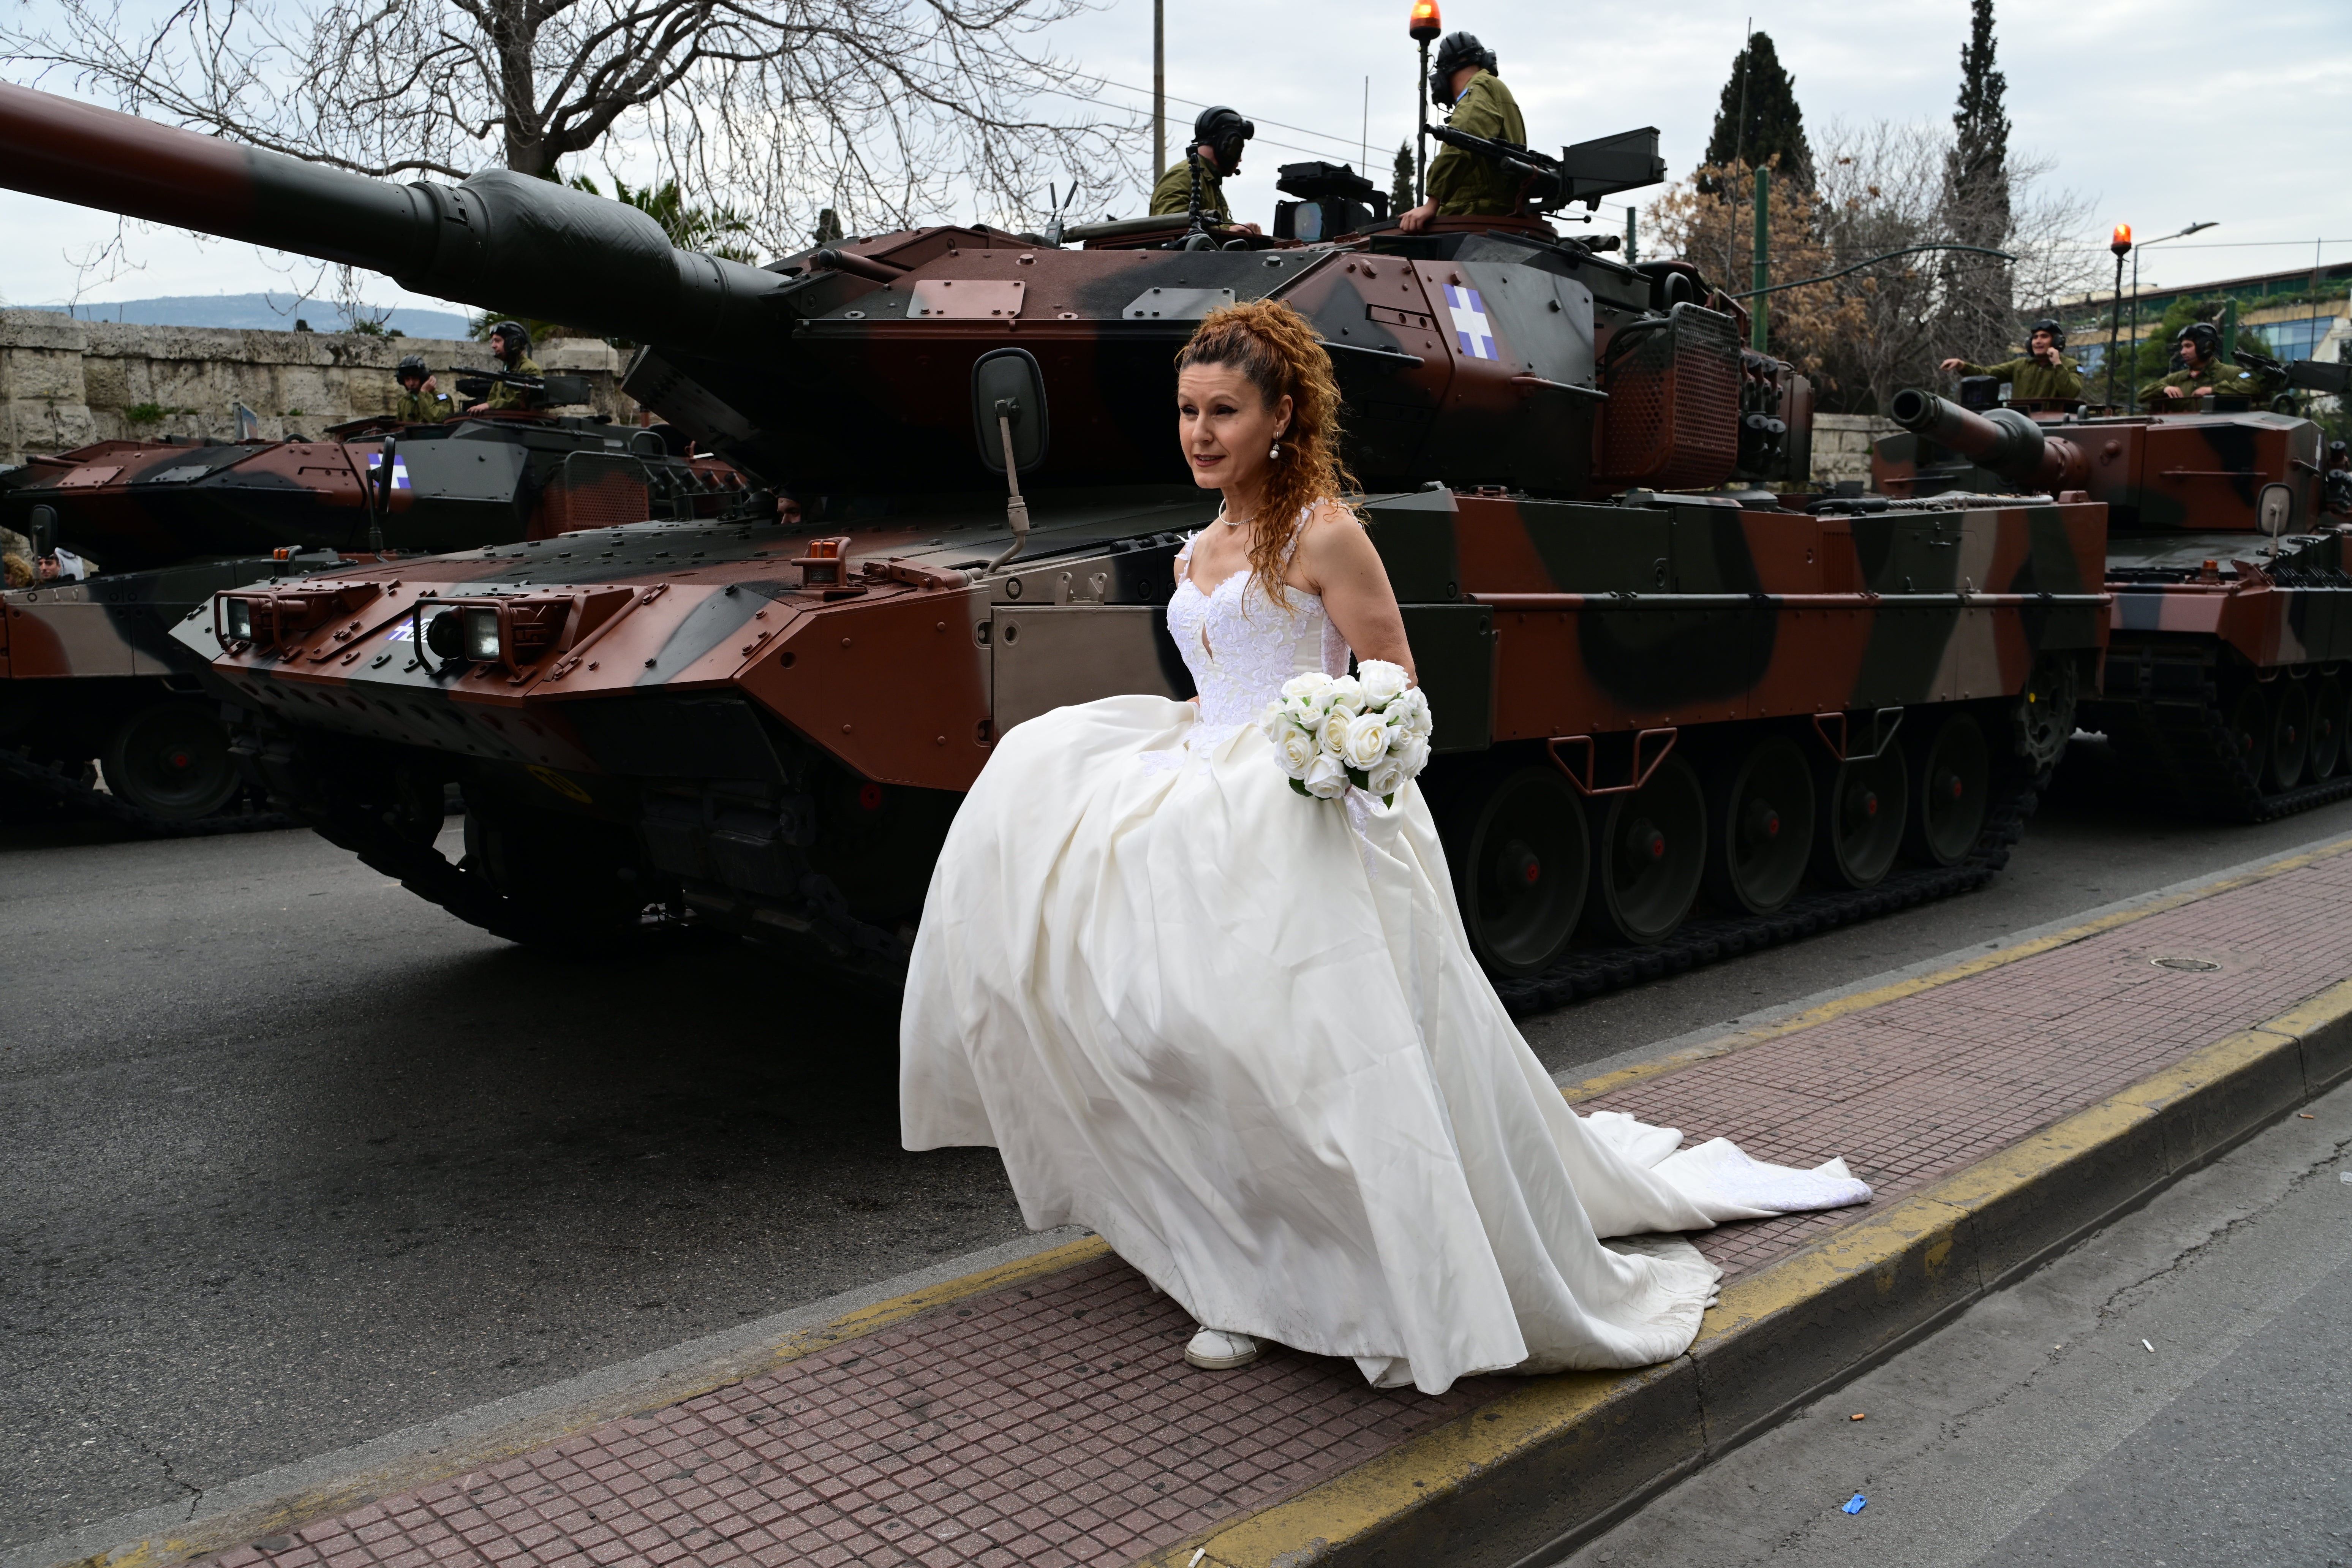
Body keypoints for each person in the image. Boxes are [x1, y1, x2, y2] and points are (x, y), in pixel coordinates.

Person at [899, 299, 1871, 1395]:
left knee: (1300, 1063)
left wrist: (1336, 749)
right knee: (1169, 1033)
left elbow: (1391, 673)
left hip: (1297, 810)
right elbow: (1214, 682)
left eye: (1224, 411)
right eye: (1187, 411)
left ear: (1280, 416)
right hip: (1194, 804)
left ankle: (1335, 1275)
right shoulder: (1195, 549)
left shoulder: (1323, 532)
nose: (1201, 432)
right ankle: (1229, 1255)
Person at [1397, 32, 1526, 234]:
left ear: (1443, 75)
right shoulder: (1496, 90)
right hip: (1494, 220)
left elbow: (1463, 140)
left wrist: (1432, 203)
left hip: (1474, 219)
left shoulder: (1479, 87)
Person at [1149, 106, 1261, 235]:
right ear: (1228, 145)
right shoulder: (1183, 176)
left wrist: (1243, 232)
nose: (1240, 159)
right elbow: (1170, 229)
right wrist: (1228, 230)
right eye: (1239, 148)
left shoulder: (1209, 181)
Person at [1940, 319, 2083, 401]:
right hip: (2022, 425)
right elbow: (1987, 373)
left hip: (2053, 426)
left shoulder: (2071, 366)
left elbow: (2071, 393)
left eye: (2044, 337)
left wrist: (2057, 365)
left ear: (2057, 342)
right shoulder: (2021, 365)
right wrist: (1962, 366)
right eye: (2035, 338)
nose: (2038, 341)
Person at [2140, 321, 2257, 405]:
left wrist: (2213, 390)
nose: (2183, 352)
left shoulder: (2230, 373)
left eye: (2188, 346)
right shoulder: (2176, 379)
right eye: (2183, 347)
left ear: (2206, 347)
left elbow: (2252, 386)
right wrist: (2165, 389)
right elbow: (2142, 395)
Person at [468, 321, 542, 414]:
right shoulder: (505, 373)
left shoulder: (529, 369)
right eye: (493, 342)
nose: (493, 346)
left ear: (514, 343)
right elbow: (492, 400)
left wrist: (489, 406)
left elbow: (519, 403)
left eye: (498, 341)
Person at [392, 354, 452, 424]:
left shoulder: (442, 399)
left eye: (415, 378)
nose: (411, 383)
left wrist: (424, 393)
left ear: (422, 378)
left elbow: (438, 419)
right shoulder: (403, 402)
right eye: (407, 379)